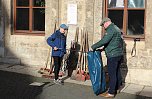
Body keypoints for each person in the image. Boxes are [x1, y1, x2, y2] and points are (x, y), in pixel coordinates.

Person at [91, 17, 123, 98]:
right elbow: (114, 42)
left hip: (113, 55)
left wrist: (93, 47)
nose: (103, 27)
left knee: (112, 74)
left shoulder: (111, 29)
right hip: (119, 54)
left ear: (106, 23)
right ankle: (117, 88)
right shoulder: (117, 28)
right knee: (117, 72)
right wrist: (103, 48)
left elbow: (104, 40)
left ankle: (111, 92)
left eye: (103, 25)